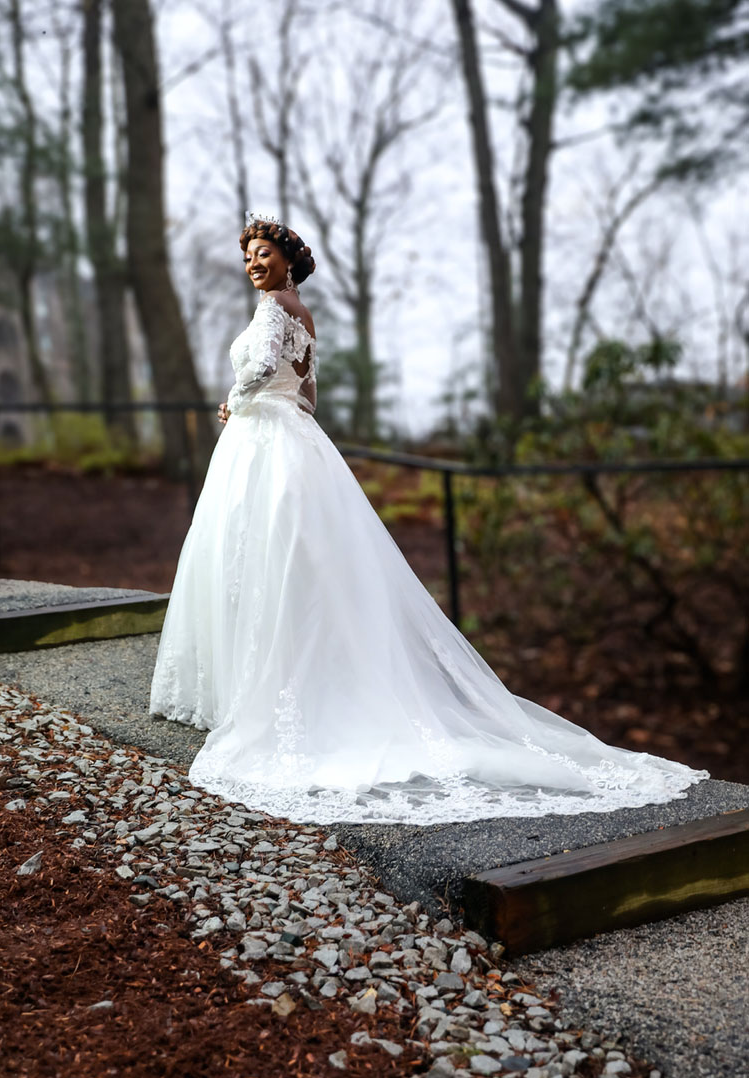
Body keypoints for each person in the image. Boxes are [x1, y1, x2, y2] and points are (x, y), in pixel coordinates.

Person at [149, 211, 708, 824]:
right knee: (282, 554)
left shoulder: (276, 309)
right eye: (249, 256)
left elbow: (259, 374)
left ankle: (264, 688)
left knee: (262, 550)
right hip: (286, 436)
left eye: (264, 253)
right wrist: (263, 402)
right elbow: (306, 395)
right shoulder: (300, 314)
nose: (255, 263)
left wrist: (236, 401)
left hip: (265, 442)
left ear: (288, 259)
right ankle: (274, 678)